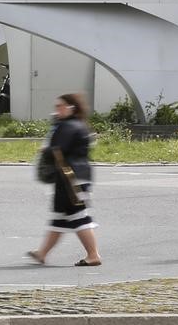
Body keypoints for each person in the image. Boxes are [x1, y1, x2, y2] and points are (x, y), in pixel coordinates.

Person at [28, 93, 101, 267]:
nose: (57, 110)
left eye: (60, 106)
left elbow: (57, 148)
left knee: (78, 216)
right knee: (59, 218)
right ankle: (42, 253)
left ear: (71, 108)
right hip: (73, 176)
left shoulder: (68, 126)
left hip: (71, 177)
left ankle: (93, 255)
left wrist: (45, 150)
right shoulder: (77, 125)